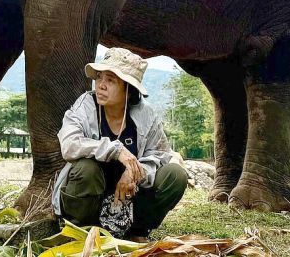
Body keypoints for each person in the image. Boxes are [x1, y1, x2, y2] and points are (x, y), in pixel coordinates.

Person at [52, 47, 188, 241]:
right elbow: (69, 144)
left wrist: (135, 172)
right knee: (86, 169)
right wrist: (115, 150)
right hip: (88, 199)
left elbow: (160, 154)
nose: (100, 85)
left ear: (128, 89)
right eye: (99, 77)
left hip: (129, 201)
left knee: (176, 175)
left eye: (110, 80)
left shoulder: (146, 115)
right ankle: (80, 232)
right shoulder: (85, 105)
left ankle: (137, 231)